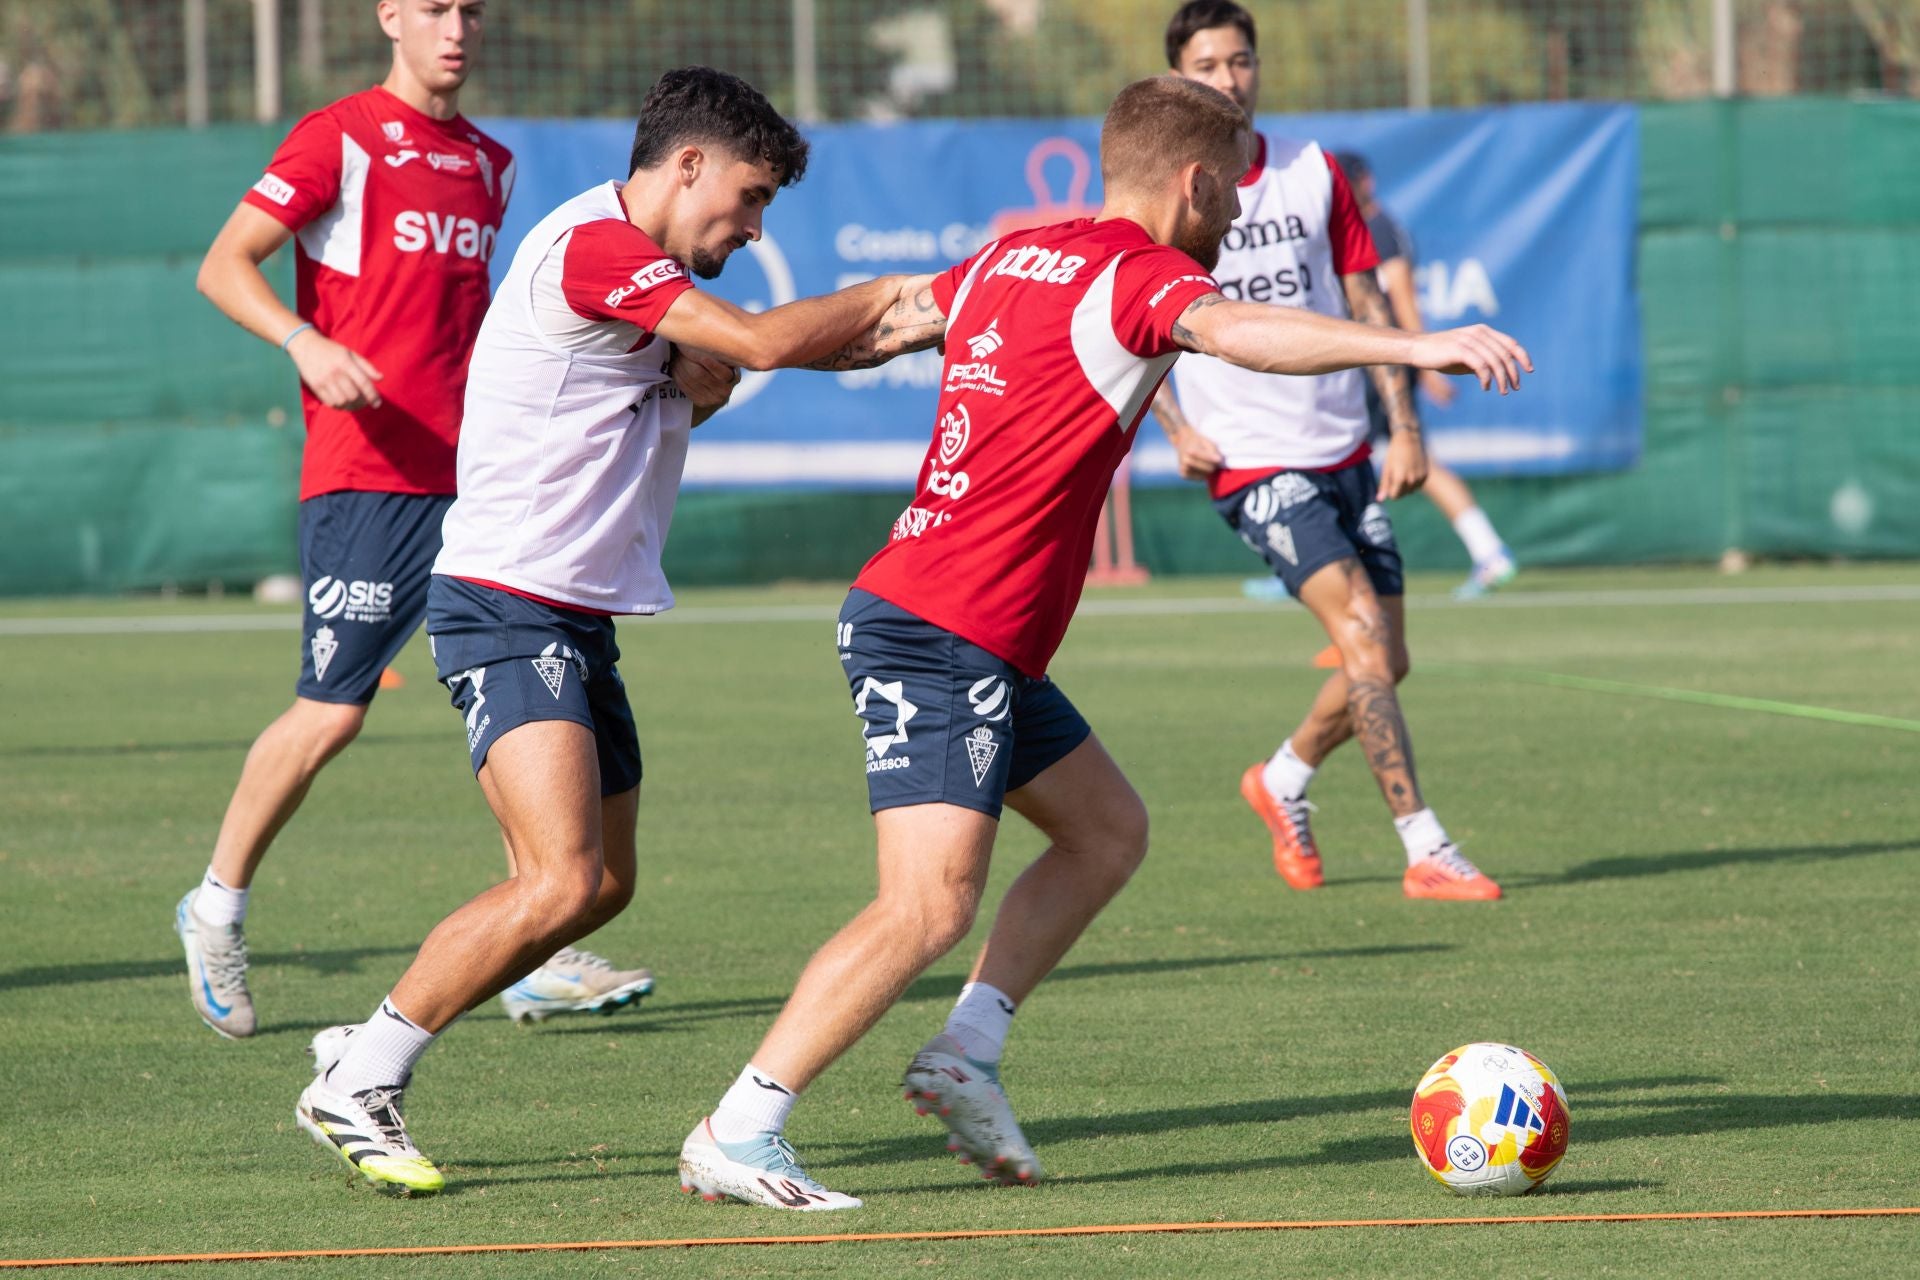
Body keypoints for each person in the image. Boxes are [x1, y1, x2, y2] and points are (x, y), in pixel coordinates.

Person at [675, 73, 1529, 1211]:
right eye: (1233, 189)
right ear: (1198, 180)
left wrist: (752, 346)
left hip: (964, 629)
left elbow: (881, 323)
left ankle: (965, 1051)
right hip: (943, 629)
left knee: (1106, 829)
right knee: (926, 904)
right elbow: (1240, 335)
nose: (1238, 214)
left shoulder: (1014, 256)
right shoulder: (1145, 274)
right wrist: (1415, 344)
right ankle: (742, 1125)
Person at [292, 66, 939, 1195]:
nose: (747, 224)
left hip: (572, 613)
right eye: (745, 198)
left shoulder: (640, 274)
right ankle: (360, 1074)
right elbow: (757, 341)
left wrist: (903, 331)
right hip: (504, 599)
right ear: (685, 165)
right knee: (556, 877)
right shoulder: (596, 246)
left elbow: (716, 367)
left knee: (599, 887)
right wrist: (893, 292)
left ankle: (366, 1046)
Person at [176, 0, 653, 1042]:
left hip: (476, 477)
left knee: (527, 703)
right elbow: (223, 265)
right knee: (333, 709)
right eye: (434, 7)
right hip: (367, 475)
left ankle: (536, 941)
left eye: (471, 11)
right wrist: (304, 341)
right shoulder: (339, 135)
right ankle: (215, 904)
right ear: (389, 16)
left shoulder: (491, 161)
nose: (457, 28)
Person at [1154, 0, 1504, 903]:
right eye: (1207, 65)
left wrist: (1409, 431)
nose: (1227, 79)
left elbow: (1366, 307)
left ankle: (1282, 778)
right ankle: (1425, 846)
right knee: (1356, 637)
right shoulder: (1170, 198)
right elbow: (1128, 329)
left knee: (1385, 661)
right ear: (1177, 78)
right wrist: (1177, 429)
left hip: (1346, 448)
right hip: (1253, 461)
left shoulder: (1314, 175)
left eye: (1240, 62)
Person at [1336, 149, 1517, 601]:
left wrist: (1425, 362)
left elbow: (1401, 297)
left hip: (1385, 365)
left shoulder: (1378, 229)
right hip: (1375, 361)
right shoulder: (1364, 228)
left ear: (1365, 183)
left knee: (1402, 462)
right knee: (1350, 457)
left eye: (1345, 183)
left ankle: (1489, 552)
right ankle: (1325, 563)